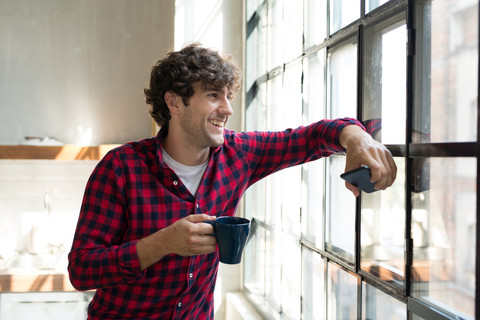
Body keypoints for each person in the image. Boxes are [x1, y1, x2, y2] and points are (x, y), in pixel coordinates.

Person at [68, 43, 396, 319]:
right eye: (213, 96)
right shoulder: (121, 168)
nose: (227, 109)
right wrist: (162, 243)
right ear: (174, 103)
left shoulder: (239, 154)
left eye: (228, 96)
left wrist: (355, 137)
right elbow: (82, 270)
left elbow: (310, 138)